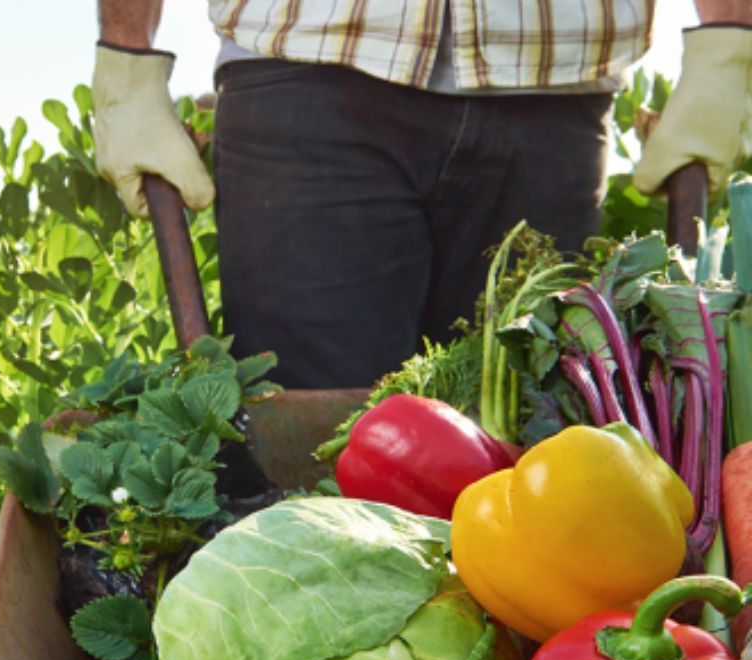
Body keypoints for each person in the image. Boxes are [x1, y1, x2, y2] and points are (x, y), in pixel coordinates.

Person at [92, 0, 752, 390]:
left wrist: (728, 38)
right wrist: (126, 57)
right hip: (308, 73)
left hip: (553, 87)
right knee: (308, 474)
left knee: (532, 448)